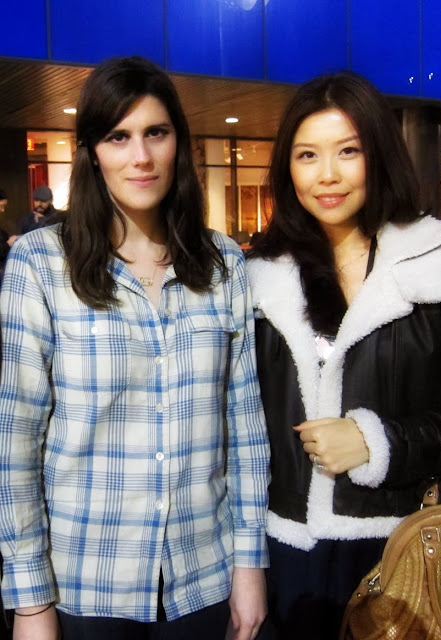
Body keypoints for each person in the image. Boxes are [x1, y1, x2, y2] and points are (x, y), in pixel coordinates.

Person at [0, 56, 270, 640]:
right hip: (84, 582)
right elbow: (15, 439)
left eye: (156, 133)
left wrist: (249, 563)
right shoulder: (41, 263)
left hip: (203, 577)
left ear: (179, 144)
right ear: (92, 152)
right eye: (118, 137)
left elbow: (245, 427)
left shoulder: (223, 263)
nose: (140, 156)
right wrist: (29, 602)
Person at [247, 71, 441, 640]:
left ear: (380, 154)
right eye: (307, 155)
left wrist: (380, 443)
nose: (327, 174)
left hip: (408, 544)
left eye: (348, 151)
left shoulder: (435, 258)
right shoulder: (259, 275)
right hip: (287, 549)